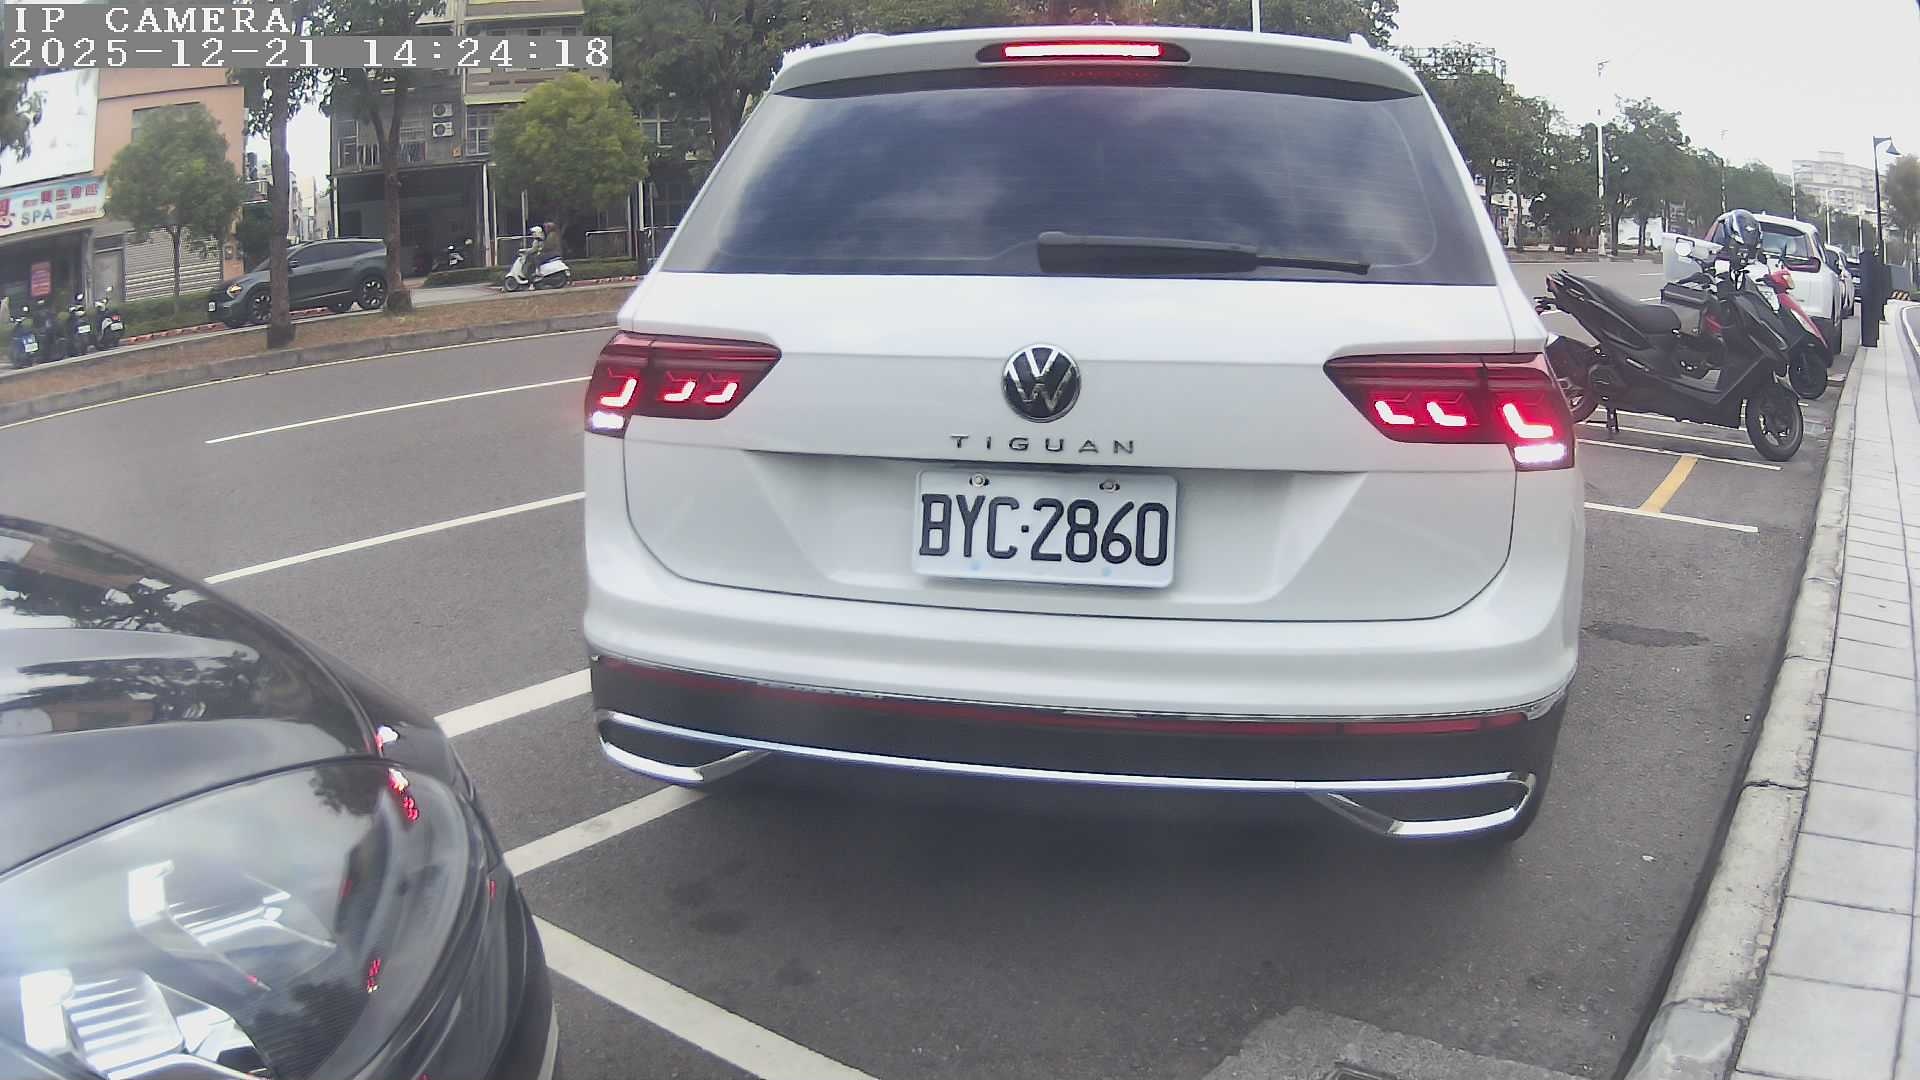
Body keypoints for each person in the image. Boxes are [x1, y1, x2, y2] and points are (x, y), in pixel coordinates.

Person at [1860, 243, 1886, 348]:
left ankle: (1870, 339)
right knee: (1870, 307)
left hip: (1870, 295)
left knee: (1869, 307)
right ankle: (1870, 338)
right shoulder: (1874, 263)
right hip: (1871, 295)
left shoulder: (1870, 264)